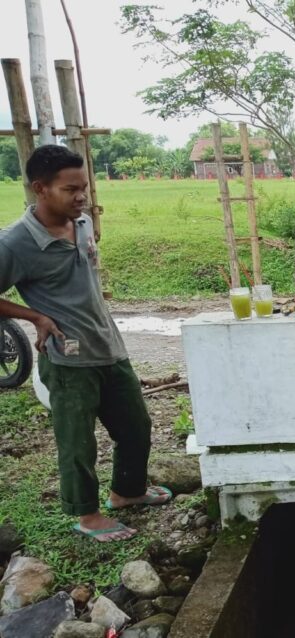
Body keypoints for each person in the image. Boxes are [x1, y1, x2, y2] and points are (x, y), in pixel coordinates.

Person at [0, 145, 172, 542]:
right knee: (77, 442)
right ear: (40, 189)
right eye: (70, 189)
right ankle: (88, 515)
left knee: (136, 426)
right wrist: (36, 317)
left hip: (109, 347)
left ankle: (127, 493)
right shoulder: (16, 244)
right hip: (68, 359)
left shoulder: (81, 223)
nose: (81, 196)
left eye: (84, 187)